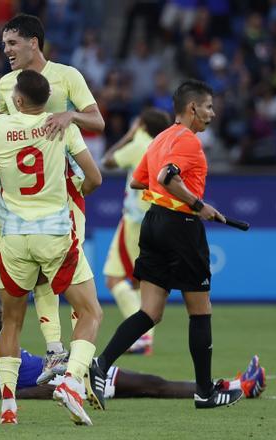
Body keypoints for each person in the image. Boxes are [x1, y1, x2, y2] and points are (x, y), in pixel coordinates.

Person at [91, 79, 244, 409]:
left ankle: (100, 365)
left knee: (149, 311)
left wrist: (178, 195)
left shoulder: (159, 138)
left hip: (153, 223)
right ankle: (205, 392)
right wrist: (197, 204)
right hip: (181, 228)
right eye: (208, 107)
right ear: (192, 109)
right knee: (200, 311)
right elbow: (165, 177)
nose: (212, 114)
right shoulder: (188, 141)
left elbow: (138, 180)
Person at [0, 69, 102, 426]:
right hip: (54, 233)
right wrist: (73, 192)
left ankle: (8, 407)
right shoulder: (64, 127)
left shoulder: (0, 127)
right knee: (91, 313)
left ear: (18, 99)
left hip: (14, 238)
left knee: (11, 324)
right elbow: (94, 178)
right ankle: (71, 382)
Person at [0, 13, 106, 386]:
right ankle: (58, 351)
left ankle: (75, 363)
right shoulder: (6, 84)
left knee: (70, 275)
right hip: (25, 194)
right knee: (43, 272)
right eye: (5, 44)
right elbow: (4, 124)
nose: (6, 50)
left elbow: (98, 122)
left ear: (33, 42)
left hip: (65, 187)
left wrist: (69, 115)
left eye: (12, 43)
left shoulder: (67, 76)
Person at [0, 289, 265, 408]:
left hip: (62, 376)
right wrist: (40, 394)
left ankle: (232, 385)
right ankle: (239, 386)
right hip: (66, 380)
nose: (0, 311)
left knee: (150, 387)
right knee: (154, 385)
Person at [101, 108, 172, 355]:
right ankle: (144, 336)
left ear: (141, 125)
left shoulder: (139, 143)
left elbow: (107, 161)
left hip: (135, 221)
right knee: (142, 282)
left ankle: (141, 336)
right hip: (158, 218)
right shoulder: (163, 147)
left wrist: (128, 135)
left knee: (114, 279)